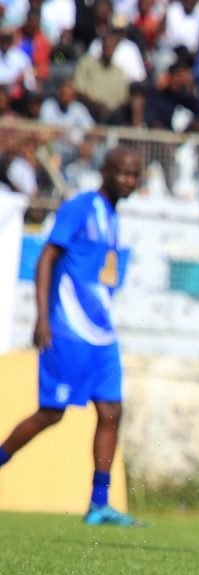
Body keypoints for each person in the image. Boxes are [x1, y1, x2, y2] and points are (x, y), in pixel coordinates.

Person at [0, 147, 142, 527]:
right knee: (52, 412)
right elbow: (47, 257)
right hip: (68, 329)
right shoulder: (81, 207)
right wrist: (41, 316)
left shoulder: (112, 216)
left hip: (101, 334)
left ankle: (99, 503)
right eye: (124, 172)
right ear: (106, 171)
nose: (130, 180)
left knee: (112, 412)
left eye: (135, 174)